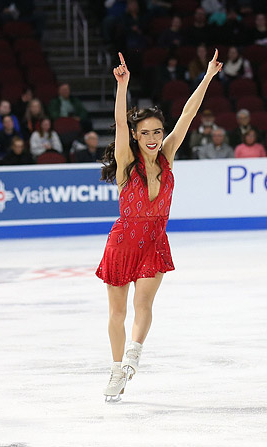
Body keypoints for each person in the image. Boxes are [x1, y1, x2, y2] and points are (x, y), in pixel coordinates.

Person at [97, 51, 222, 402]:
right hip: (122, 242)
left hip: (154, 240)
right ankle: (115, 369)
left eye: (157, 131)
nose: (153, 137)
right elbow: (120, 124)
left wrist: (208, 76)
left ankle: (134, 352)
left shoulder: (166, 158)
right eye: (145, 132)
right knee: (117, 311)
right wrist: (122, 86)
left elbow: (188, 114)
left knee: (144, 305)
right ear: (136, 137)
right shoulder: (125, 165)